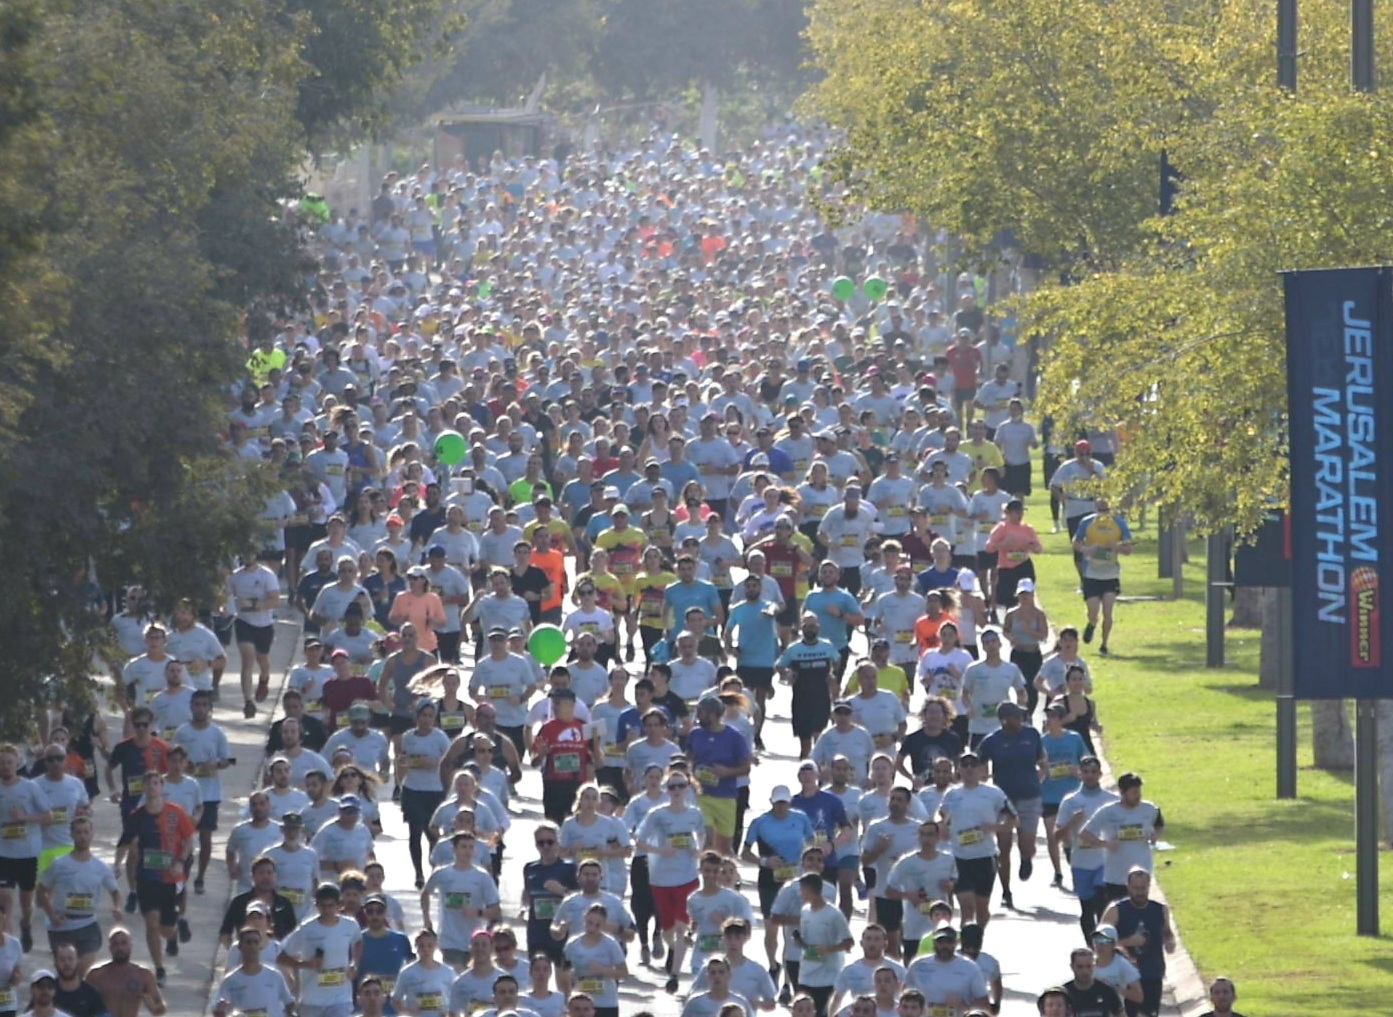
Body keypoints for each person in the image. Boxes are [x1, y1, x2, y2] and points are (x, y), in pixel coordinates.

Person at [633, 769, 706, 994]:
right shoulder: (657, 814)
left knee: (683, 926)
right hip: (661, 877)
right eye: (672, 786)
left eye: (680, 786)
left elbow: (701, 835)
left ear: (688, 788)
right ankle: (674, 948)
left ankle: (674, 975)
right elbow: (639, 840)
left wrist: (697, 850)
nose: (676, 790)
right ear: (666, 789)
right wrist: (660, 850)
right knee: (668, 929)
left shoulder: (694, 813)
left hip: (687, 876)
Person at [975, 701, 1046, 909]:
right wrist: (982, 775)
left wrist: (1043, 769)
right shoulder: (992, 741)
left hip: (1029, 794)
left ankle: (1026, 857)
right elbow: (978, 760)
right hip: (1003, 800)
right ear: (1005, 720)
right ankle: (1006, 891)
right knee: (1003, 848)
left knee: (1027, 842)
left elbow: (1041, 756)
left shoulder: (1031, 734)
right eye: (1016, 716)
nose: (1021, 720)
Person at [128, 772, 195, 984]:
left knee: (165, 927)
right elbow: (131, 844)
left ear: (161, 786)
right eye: (147, 784)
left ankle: (173, 934)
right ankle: (159, 968)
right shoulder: (137, 816)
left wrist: (180, 862)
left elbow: (189, 840)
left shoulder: (176, 812)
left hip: (171, 878)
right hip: (147, 878)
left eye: (155, 783)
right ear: (143, 788)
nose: (151, 787)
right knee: (151, 923)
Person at [935, 751, 1012, 929]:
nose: (969, 769)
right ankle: (967, 945)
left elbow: (1013, 819)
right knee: (967, 909)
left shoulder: (993, 793)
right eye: (964, 765)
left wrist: (994, 828)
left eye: (973, 765)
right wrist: (942, 827)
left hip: (985, 856)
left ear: (981, 769)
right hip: (959, 857)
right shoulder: (952, 794)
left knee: (981, 910)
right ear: (959, 770)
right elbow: (941, 817)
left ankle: (977, 937)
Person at [38, 816, 121, 973]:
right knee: (66, 972)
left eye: (86, 832)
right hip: (61, 925)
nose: (82, 836)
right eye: (78, 832)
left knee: (84, 969)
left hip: (87, 924)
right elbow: (42, 890)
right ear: (72, 835)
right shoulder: (59, 864)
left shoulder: (101, 867)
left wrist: (118, 908)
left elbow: (115, 891)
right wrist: (51, 914)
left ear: (92, 834)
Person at [172, 688, 231, 894]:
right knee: (184, 837)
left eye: (205, 705)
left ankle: (200, 877)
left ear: (210, 708)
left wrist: (215, 764)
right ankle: (182, 875)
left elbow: (227, 760)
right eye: (197, 704)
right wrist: (185, 765)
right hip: (187, 791)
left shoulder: (217, 733)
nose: (200, 708)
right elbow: (173, 756)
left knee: (205, 837)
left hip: (210, 793)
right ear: (191, 707)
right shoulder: (182, 732)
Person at [279, 882, 364, 1017]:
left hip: (340, 998)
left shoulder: (350, 925)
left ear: (339, 905)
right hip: (312, 999)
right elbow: (281, 956)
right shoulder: (307, 929)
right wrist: (305, 964)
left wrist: (355, 963)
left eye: (331, 905)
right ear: (316, 905)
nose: (327, 910)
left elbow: (358, 941)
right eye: (322, 906)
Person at [1099, 869, 1175, 1017]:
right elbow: (1100, 944)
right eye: (1135, 888)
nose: (1140, 892)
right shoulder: (1116, 911)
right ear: (1128, 887)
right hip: (1123, 976)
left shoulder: (1160, 910)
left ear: (1149, 885)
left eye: (1143, 888)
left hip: (1153, 973)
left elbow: (1167, 932)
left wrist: (1170, 941)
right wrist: (1128, 941)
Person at [1079, 771, 1164, 904]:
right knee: (1118, 915)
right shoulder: (1108, 812)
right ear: (1123, 792)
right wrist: (1105, 843)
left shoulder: (1150, 809)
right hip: (1116, 875)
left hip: (1142, 873)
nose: (1138, 796)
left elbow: (1159, 824)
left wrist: (1155, 835)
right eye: (1134, 792)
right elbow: (1084, 833)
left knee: (1139, 911)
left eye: (1139, 791)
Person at [398, 700, 452, 888]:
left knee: (433, 833)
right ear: (417, 716)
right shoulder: (408, 737)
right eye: (424, 715)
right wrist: (403, 772)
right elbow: (402, 759)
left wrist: (434, 763)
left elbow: (449, 763)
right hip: (413, 789)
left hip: (434, 790)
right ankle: (418, 873)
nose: (427, 719)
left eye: (430, 716)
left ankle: (434, 870)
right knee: (414, 832)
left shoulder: (440, 737)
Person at [688, 697, 752, 855]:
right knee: (708, 841)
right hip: (701, 796)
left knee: (724, 849)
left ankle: (726, 877)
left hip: (726, 796)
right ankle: (704, 875)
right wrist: (690, 773)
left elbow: (746, 767)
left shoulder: (734, 737)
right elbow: (687, 758)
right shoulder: (695, 734)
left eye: (701, 713)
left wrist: (727, 772)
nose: (698, 716)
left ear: (714, 715)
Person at [1072, 497, 1133, 655]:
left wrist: (1117, 547)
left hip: (1110, 575)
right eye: (1100, 510)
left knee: (1108, 611)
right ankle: (1091, 624)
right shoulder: (1087, 522)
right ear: (1095, 508)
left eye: (1106, 510)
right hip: (1091, 573)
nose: (1103, 513)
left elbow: (1129, 548)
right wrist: (1086, 550)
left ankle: (1104, 644)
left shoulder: (1119, 523)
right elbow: (1076, 542)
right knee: (1093, 610)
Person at [776, 614, 842, 759]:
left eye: (813, 626)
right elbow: (780, 665)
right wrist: (787, 674)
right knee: (805, 746)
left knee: (819, 741)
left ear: (818, 628)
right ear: (802, 628)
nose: (810, 630)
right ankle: (806, 776)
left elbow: (837, 661)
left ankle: (820, 777)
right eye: (807, 626)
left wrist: (833, 676)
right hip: (801, 700)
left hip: (821, 698)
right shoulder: (794, 649)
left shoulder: (827, 646)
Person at [226, 550, 282, 717]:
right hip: (244, 623)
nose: (246, 557)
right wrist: (224, 608)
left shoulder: (267, 575)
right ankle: (248, 701)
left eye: (249, 554)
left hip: (264, 624)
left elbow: (275, 600)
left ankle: (264, 679)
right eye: (244, 554)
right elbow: (226, 596)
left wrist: (253, 604)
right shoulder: (235, 576)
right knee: (247, 659)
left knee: (262, 658)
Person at [793, 872, 853, 1017]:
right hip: (806, 973)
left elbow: (849, 942)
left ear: (810, 889)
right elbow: (806, 939)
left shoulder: (834, 914)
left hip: (827, 975)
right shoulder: (805, 911)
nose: (800, 893)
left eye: (802, 889)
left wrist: (829, 949)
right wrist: (799, 941)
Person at [214, 925, 296, 1017]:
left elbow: (289, 1003)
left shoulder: (274, 975)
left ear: (260, 947)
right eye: (248, 942)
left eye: (256, 942)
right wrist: (220, 1010)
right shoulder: (230, 980)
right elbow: (218, 1008)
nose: (252, 946)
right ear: (240, 946)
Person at [85, 927, 167, 1017]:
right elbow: (81, 1004)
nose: (120, 948)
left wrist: (154, 1009)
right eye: (115, 944)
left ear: (131, 945)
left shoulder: (144, 975)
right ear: (110, 947)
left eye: (124, 943)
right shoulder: (96, 975)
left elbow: (160, 1006)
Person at [1063, 946, 1125, 1017]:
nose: (1085, 971)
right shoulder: (1063, 994)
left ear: (1094, 966)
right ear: (1072, 967)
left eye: (1088, 966)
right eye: (1080, 967)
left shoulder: (1107, 991)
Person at [50, 942, 108, 1017]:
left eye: (70, 959)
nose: (67, 963)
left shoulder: (92, 994)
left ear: (78, 960)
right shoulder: (47, 992)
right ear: (55, 963)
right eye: (62, 959)